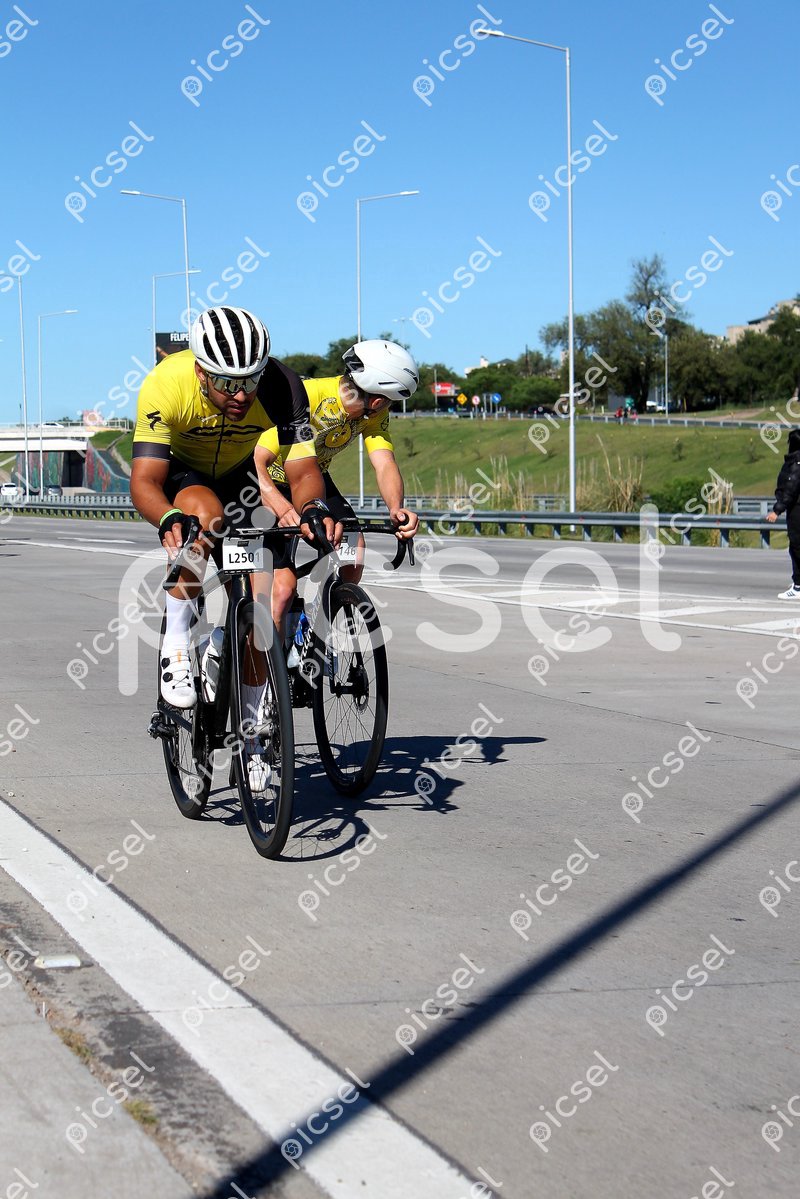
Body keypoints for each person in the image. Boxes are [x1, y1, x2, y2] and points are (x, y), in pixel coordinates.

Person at [131, 306, 336, 721]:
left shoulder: (284, 387)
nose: (241, 395)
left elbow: (302, 471)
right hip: (184, 473)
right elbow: (145, 480)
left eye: (250, 381)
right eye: (227, 383)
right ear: (201, 373)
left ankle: (253, 724)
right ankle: (176, 644)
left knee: (266, 602)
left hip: (241, 476)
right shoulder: (166, 384)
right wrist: (169, 517)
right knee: (204, 519)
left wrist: (313, 507)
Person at [253, 339, 420, 629]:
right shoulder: (307, 396)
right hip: (268, 480)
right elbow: (257, 461)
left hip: (313, 479)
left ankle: (318, 626)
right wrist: (280, 506)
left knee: (354, 548)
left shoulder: (373, 414)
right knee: (281, 593)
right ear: (377, 399)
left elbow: (384, 463)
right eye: (389, 400)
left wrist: (396, 508)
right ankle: (266, 648)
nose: (387, 407)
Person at [766, 427, 800, 598]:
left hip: (797, 509)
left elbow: (790, 489)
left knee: (796, 546)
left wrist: (777, 510)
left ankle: (798, 587)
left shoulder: (796, 464)